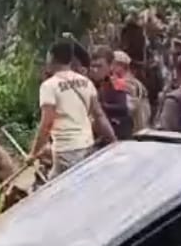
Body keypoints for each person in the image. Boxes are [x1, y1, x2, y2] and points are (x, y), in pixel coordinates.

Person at [30, 40, 116, 178]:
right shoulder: (86, 82)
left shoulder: (49, 86)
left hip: (65, 151)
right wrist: (113, 141)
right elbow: (99, 116)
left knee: (56, 190)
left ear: (51, 58)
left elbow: (47, 123)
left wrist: (33, 153)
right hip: (87, 147)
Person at [90, 46, 133, 141]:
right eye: (93, 66)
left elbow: (123, 108)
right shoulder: (86, 83)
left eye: (99, 66)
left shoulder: (117, 83)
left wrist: (100, 107)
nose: (95, 70)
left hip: (115, 132)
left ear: (111, 66)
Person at [112, 50, 150, 133]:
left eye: (113, 63)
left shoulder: (129, 83)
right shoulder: (133, 81)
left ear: (121, 65)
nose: (111, 67)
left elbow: (131, 107)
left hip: (134, 124)